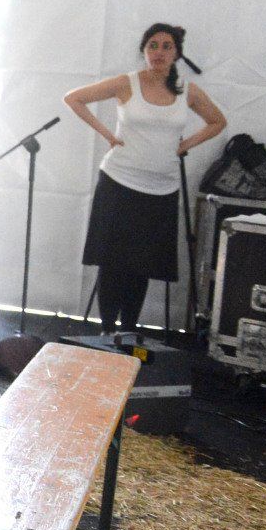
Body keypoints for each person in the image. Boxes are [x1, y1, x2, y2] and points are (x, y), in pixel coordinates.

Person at [64, 23, 226, 333]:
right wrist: (107, 134)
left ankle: (128, 330)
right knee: (112, 261)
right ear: (144, 50)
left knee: (141, 265)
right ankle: (107, 330)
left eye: (166, 46)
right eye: (153, 45)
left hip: (161, 190)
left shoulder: (188, 91)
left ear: (176, 53)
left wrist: (187, 144)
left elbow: (217, 121)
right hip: (118, 183)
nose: (159, 52)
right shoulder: (126, 83)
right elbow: (74, 98)